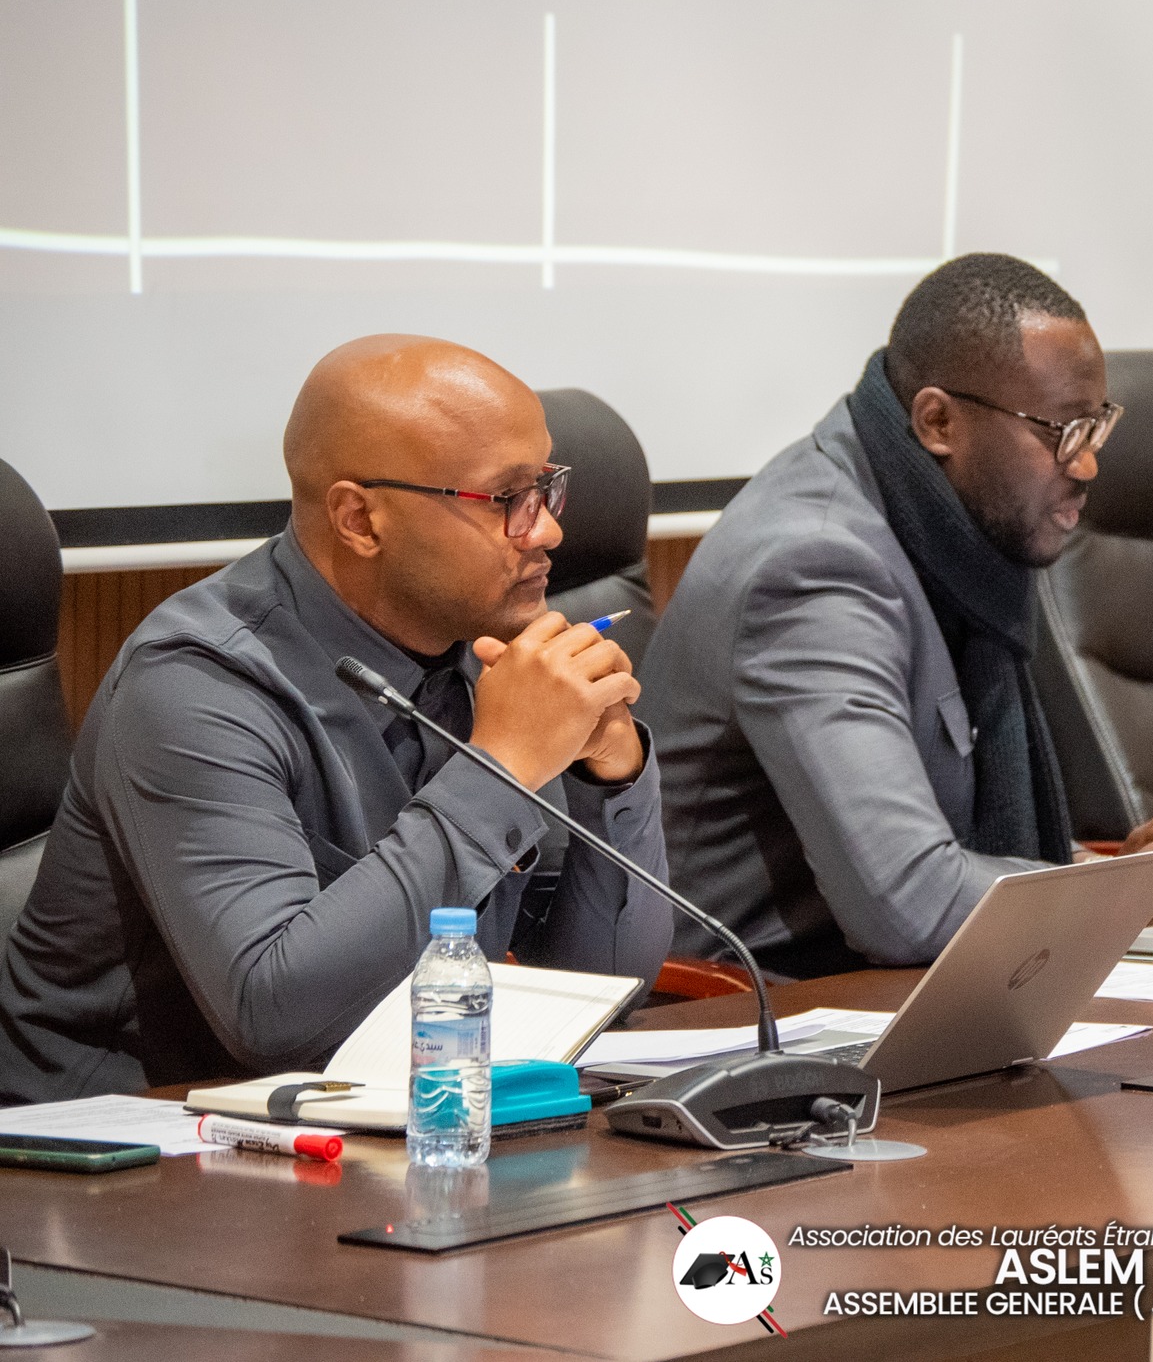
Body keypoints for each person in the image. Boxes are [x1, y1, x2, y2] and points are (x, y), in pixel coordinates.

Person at [0, 335, 674, 1104]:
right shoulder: (193, 682)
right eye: (506, 500)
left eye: (548, 486)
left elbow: (598, 985)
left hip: (374, 1122)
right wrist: (502, 768)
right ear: (359, 518)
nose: (547, 529)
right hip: (120, 1156)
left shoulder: (478, 652)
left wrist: (610, 775)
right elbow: (274, 1014)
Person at [640, 253, 1153, 979]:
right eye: (1061, 432)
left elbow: (939, 852)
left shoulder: (954, 534)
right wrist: (1126, 894)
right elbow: (910, 903)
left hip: (885, 991)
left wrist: (1105, 868)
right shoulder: (814, 569)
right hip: (754, 1019)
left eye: (1096, 427)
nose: (1085, 465)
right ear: (938, 421)